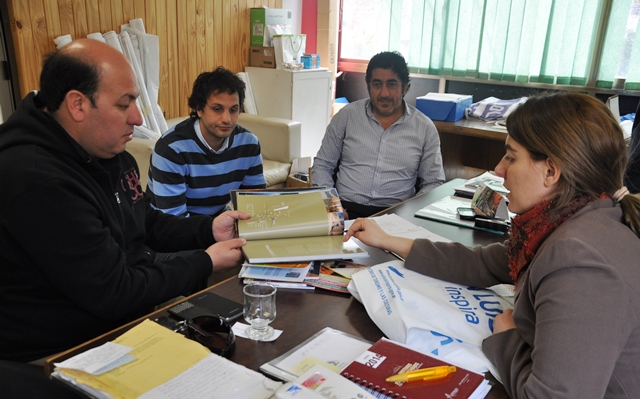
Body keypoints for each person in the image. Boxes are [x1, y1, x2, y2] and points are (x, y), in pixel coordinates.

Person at [345, 92, 640, 398]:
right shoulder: (568, 223)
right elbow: (482, 264)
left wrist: (509, 338)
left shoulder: (580, 260)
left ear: (551, 171)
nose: (499, 169)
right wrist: (387, 240)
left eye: (511, 156)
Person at [0, 39, 250, 363]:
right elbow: (115, 292)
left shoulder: (104, 150)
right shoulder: (38, 181)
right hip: (63, 354)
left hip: (124, 318)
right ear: (77, 105)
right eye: (124, 104)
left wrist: (208, 231)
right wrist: (205, 261)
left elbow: (144, 219)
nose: (137, 118)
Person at [312, 51, 445, 219]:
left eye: (391, 84)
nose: (384, 93)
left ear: (406, 87)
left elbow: (433, 184)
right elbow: (322, 165)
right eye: (377, 84)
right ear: (368, 86)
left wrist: (411, 216)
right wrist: (332, 208)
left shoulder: (425, 128)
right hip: (345, 210)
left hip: (397, 214)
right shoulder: (346, 117)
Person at [146, 67, 266, 217]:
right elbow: (174, 221)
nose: (227, 119)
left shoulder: (248, 144)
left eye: (233, 110)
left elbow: (256, 204)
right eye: (217, 109)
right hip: (168, 231)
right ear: (199, 109)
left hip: (216, 224)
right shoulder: (171, 149)